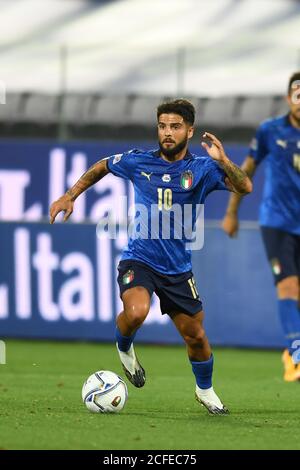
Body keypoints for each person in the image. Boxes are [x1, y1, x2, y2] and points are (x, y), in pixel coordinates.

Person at [50, 99, 252, 414]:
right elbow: (102, 165)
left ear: (189, 130)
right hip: (139, 259)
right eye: (162, 126)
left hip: (177, 270)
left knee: (196, 337)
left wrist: (224, 160)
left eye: (175, 127)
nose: (167, 133)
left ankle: (205, 390)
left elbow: (245, 186)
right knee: (136, 312)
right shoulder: (139, 162)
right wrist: (69, 195)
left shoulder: (203, 169)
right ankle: (125, 348)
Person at [222, 73, 300, 382]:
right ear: (288, 99)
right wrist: (232, 212)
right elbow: (248, 170)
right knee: (288, 287)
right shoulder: (271, 130)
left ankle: (291, 349)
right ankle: (296, 351)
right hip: (277, 222)